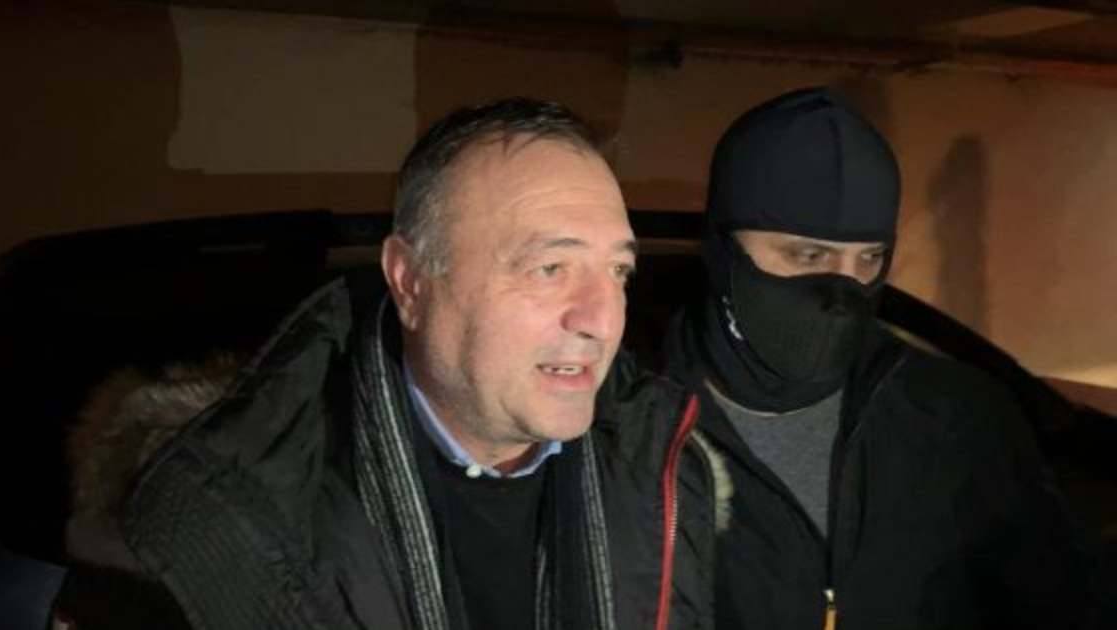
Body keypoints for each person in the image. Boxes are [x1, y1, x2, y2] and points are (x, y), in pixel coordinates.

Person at [117, 98, 728, 630]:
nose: (601, 319)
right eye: (550, 269)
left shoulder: (667, 474)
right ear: (410, 281)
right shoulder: (232, 515)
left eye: (619, 271)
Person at [664, 87, 1096, 630]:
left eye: (869, 259)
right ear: (723, 247)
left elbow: (1060, 606)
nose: (842, 292)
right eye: (808, 255)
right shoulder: (632, 426)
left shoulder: (957, 419)